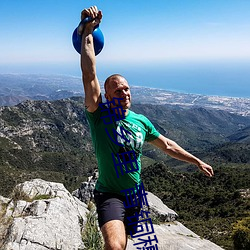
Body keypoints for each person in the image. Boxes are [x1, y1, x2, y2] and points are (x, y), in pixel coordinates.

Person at [79, 6, 214, 250]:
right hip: (110, 194)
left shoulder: (141, 121)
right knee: (114, 246)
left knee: (126, 243)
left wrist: (196, 161)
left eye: (127, 88)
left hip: (135, 195)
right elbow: (89, 74)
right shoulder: (99, 115)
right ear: (107, 96)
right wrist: (87, 31)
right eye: (118, 89)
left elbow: (168, 145)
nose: (124, 92)